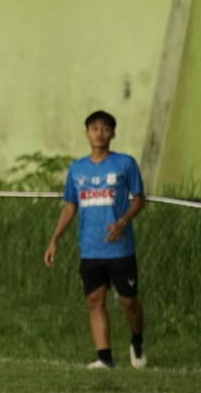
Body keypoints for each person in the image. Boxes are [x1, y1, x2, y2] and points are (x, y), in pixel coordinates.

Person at [43, 110, 147, 369]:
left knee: (128, 301)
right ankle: (105, 357)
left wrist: (123, 222)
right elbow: (70, 205)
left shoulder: (125, 164)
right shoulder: (77, 169)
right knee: (94, 301)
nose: (99, 133)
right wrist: (55, 238)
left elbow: (139, 199)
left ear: (113, 133)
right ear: (86, 133)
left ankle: (137, 340)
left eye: (105, 129)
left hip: (120, 247)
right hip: (90, 248)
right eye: (94, 129)